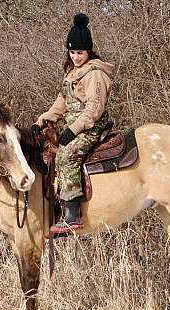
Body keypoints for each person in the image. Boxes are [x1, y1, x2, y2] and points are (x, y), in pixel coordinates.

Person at [33, 13, 115, 234]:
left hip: (91, 126)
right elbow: (61, 103)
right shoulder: (72, 74)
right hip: (75, 125)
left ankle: (72, 214)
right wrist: (41, 122)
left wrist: (72, 130)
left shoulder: (95, 74)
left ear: (88, 51)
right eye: (72, 52)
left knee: (66, 155)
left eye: (80, 52)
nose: (76, 56)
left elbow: (94, 110)